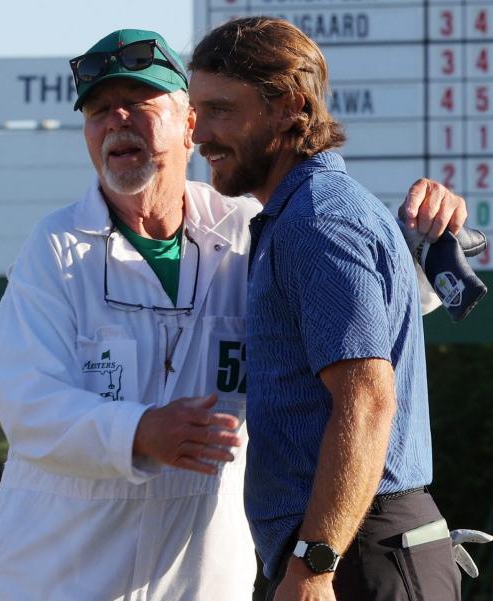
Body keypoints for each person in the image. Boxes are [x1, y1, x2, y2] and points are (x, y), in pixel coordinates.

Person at [0, 27, 467, 601]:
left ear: (190, 126)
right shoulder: (55, 247)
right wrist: (137, 431)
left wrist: (429, 234)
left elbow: (360, 315)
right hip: (56, 580)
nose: (116, 121)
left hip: (203, 583)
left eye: (139, 105)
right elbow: (25, 400)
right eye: (99, 111)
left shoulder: (249, 229)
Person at [189, 16, 463, 601]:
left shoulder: (318, 222)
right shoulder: (301, 215)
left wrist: (314, 564)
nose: (199, 133)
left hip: (355, 553)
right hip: (346, 547)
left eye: (220, 110)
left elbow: (366, 400)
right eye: (197, 110)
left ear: (288, 106)